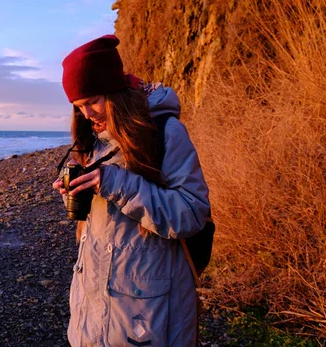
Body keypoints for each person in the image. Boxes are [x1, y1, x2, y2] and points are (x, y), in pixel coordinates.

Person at [52, 35, 210, 346]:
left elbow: (191, 213)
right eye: (78, 107)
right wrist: (76, 192)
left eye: (92, 101)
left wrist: (113, 184)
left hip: (148, 317)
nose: (87, 114)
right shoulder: (92, 140)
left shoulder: (165, 133)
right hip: (93, 312)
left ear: (114, 91)